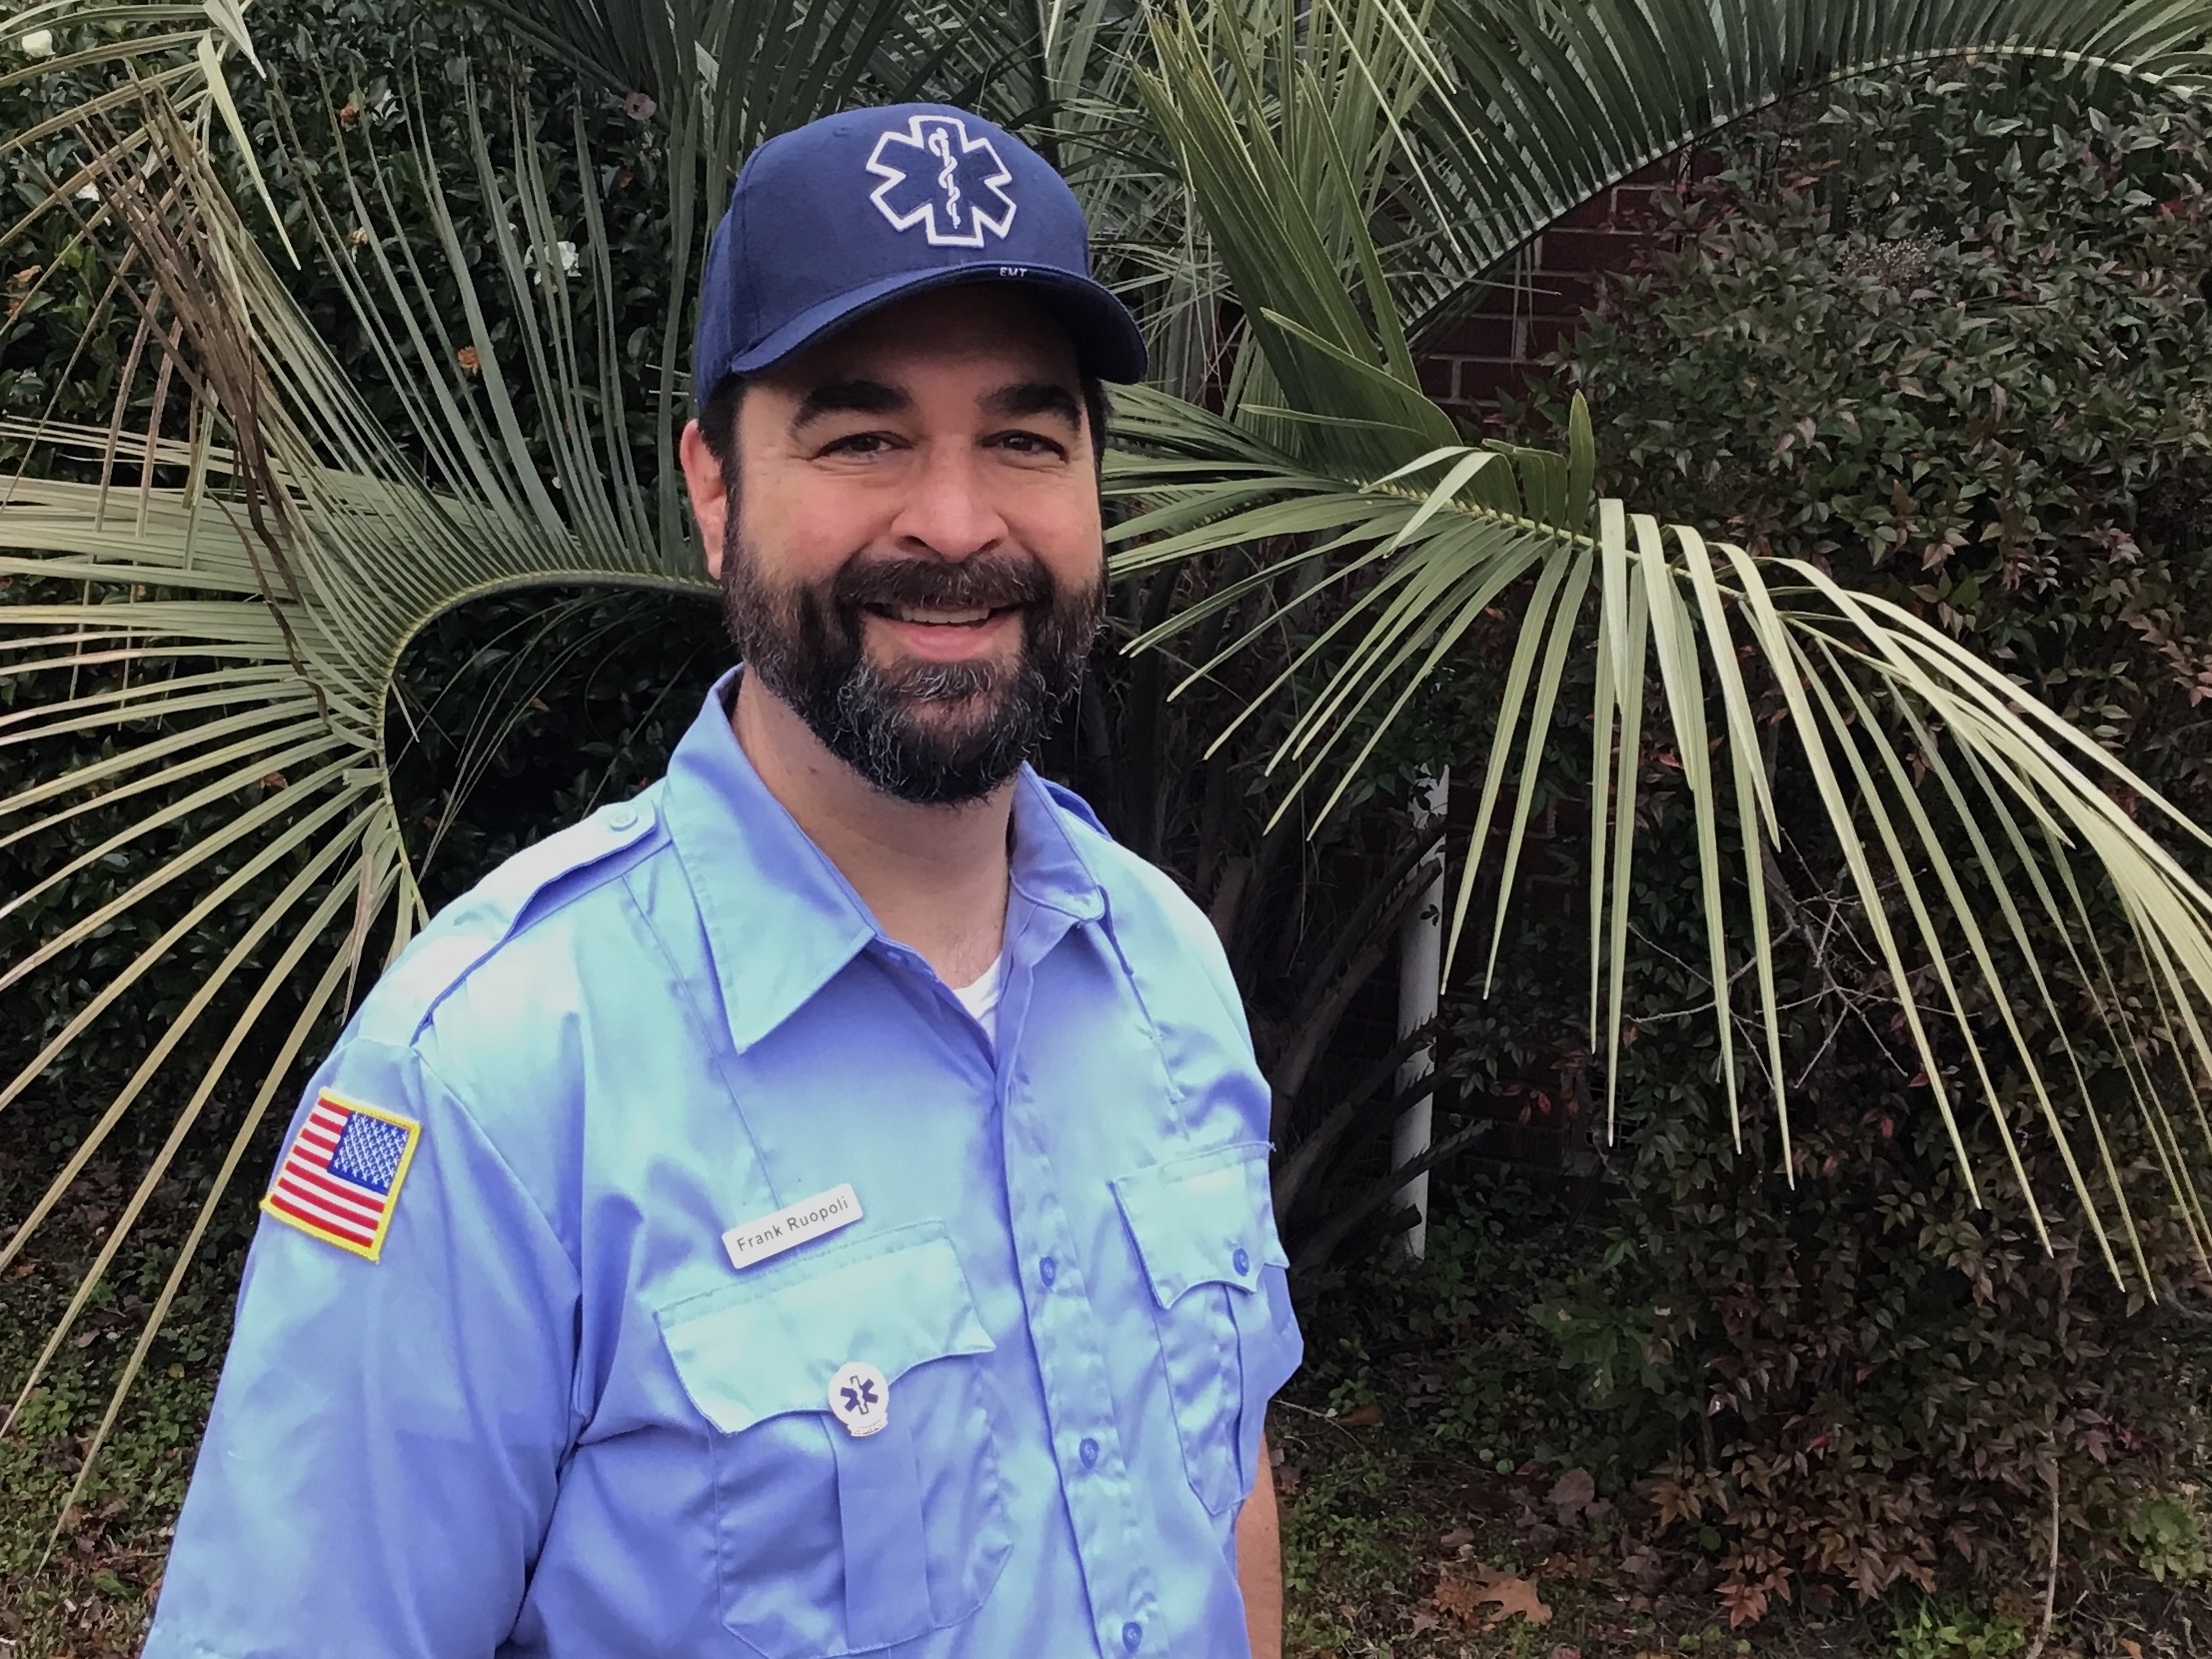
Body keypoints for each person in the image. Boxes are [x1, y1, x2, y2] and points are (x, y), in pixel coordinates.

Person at [142, 102, 1303, 1657]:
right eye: (861, 433)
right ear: (712, 486)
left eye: (1024, 437)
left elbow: (1220, 1479)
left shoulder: (1163, 967)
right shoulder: (488, 1079)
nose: (955, 523)